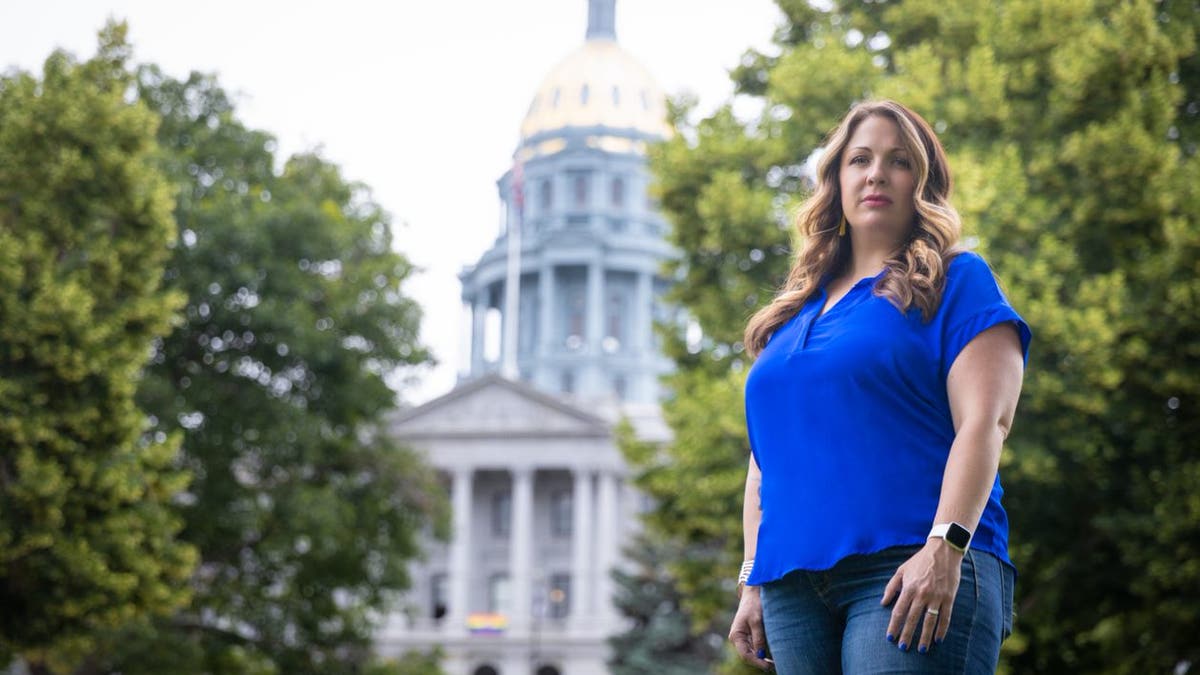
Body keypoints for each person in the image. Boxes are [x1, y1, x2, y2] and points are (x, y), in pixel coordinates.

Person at [728, 100, 1031, 674]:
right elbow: (765, 460)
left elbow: (986, 421)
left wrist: (944, 547)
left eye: (897, 161)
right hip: (794, 589)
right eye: (859, 159)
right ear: (836, 180)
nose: (875, 173)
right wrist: (752, 578)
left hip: (909, 565)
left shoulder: (956, 279)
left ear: (922, 182)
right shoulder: (792, 314)